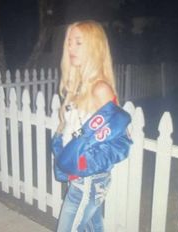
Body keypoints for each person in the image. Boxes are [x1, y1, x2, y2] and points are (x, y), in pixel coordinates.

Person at [51, 20, 132, 232]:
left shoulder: (100, 89)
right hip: (79, 177)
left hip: (88, 179)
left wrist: (85, 163)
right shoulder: (77, 86)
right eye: (69, 42)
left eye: (78, 42)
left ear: (94, 48)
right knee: (93, 227)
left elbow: (120, 139)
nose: (70, 48)